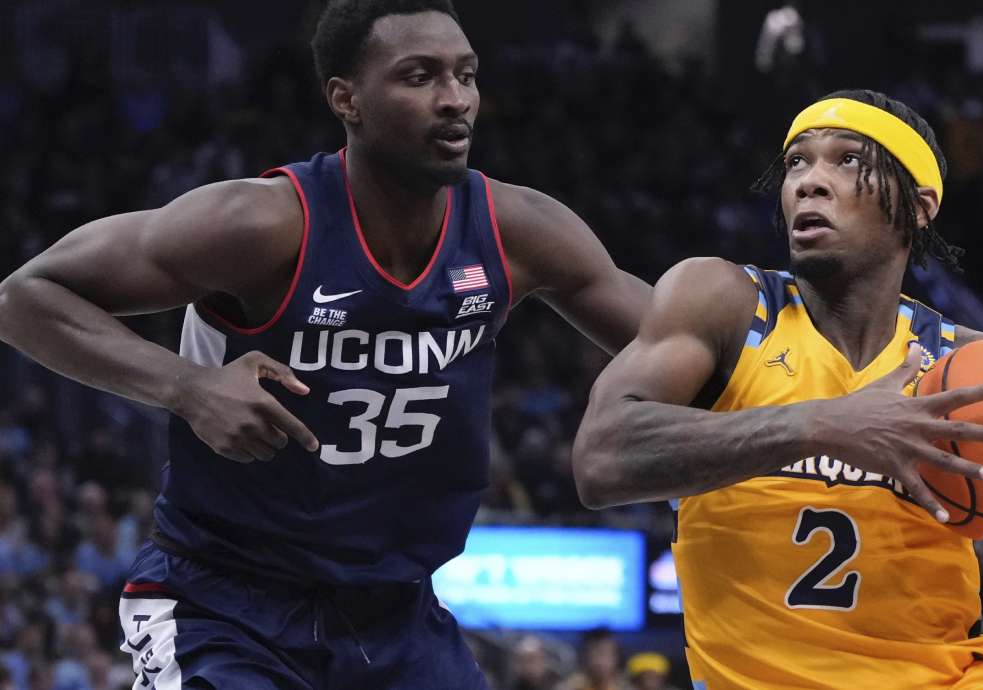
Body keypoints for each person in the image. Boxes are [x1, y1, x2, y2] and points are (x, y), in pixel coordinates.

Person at [0, 1, 648, 688]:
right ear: (347, 99)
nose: (454, 99)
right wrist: (187, 388)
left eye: (466, 74)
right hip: (224, 604)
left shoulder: (519, 230)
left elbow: (687, 341)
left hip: (397, 617)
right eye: (419, 77)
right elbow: (24, 299)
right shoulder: (261, 224)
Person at [574, 90, 983, 689]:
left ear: (918, 207)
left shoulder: (970, 365)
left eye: (846, 160)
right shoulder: (725, 305)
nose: (809, 182)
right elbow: (601, 460)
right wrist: (824, 425)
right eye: (796, 163)